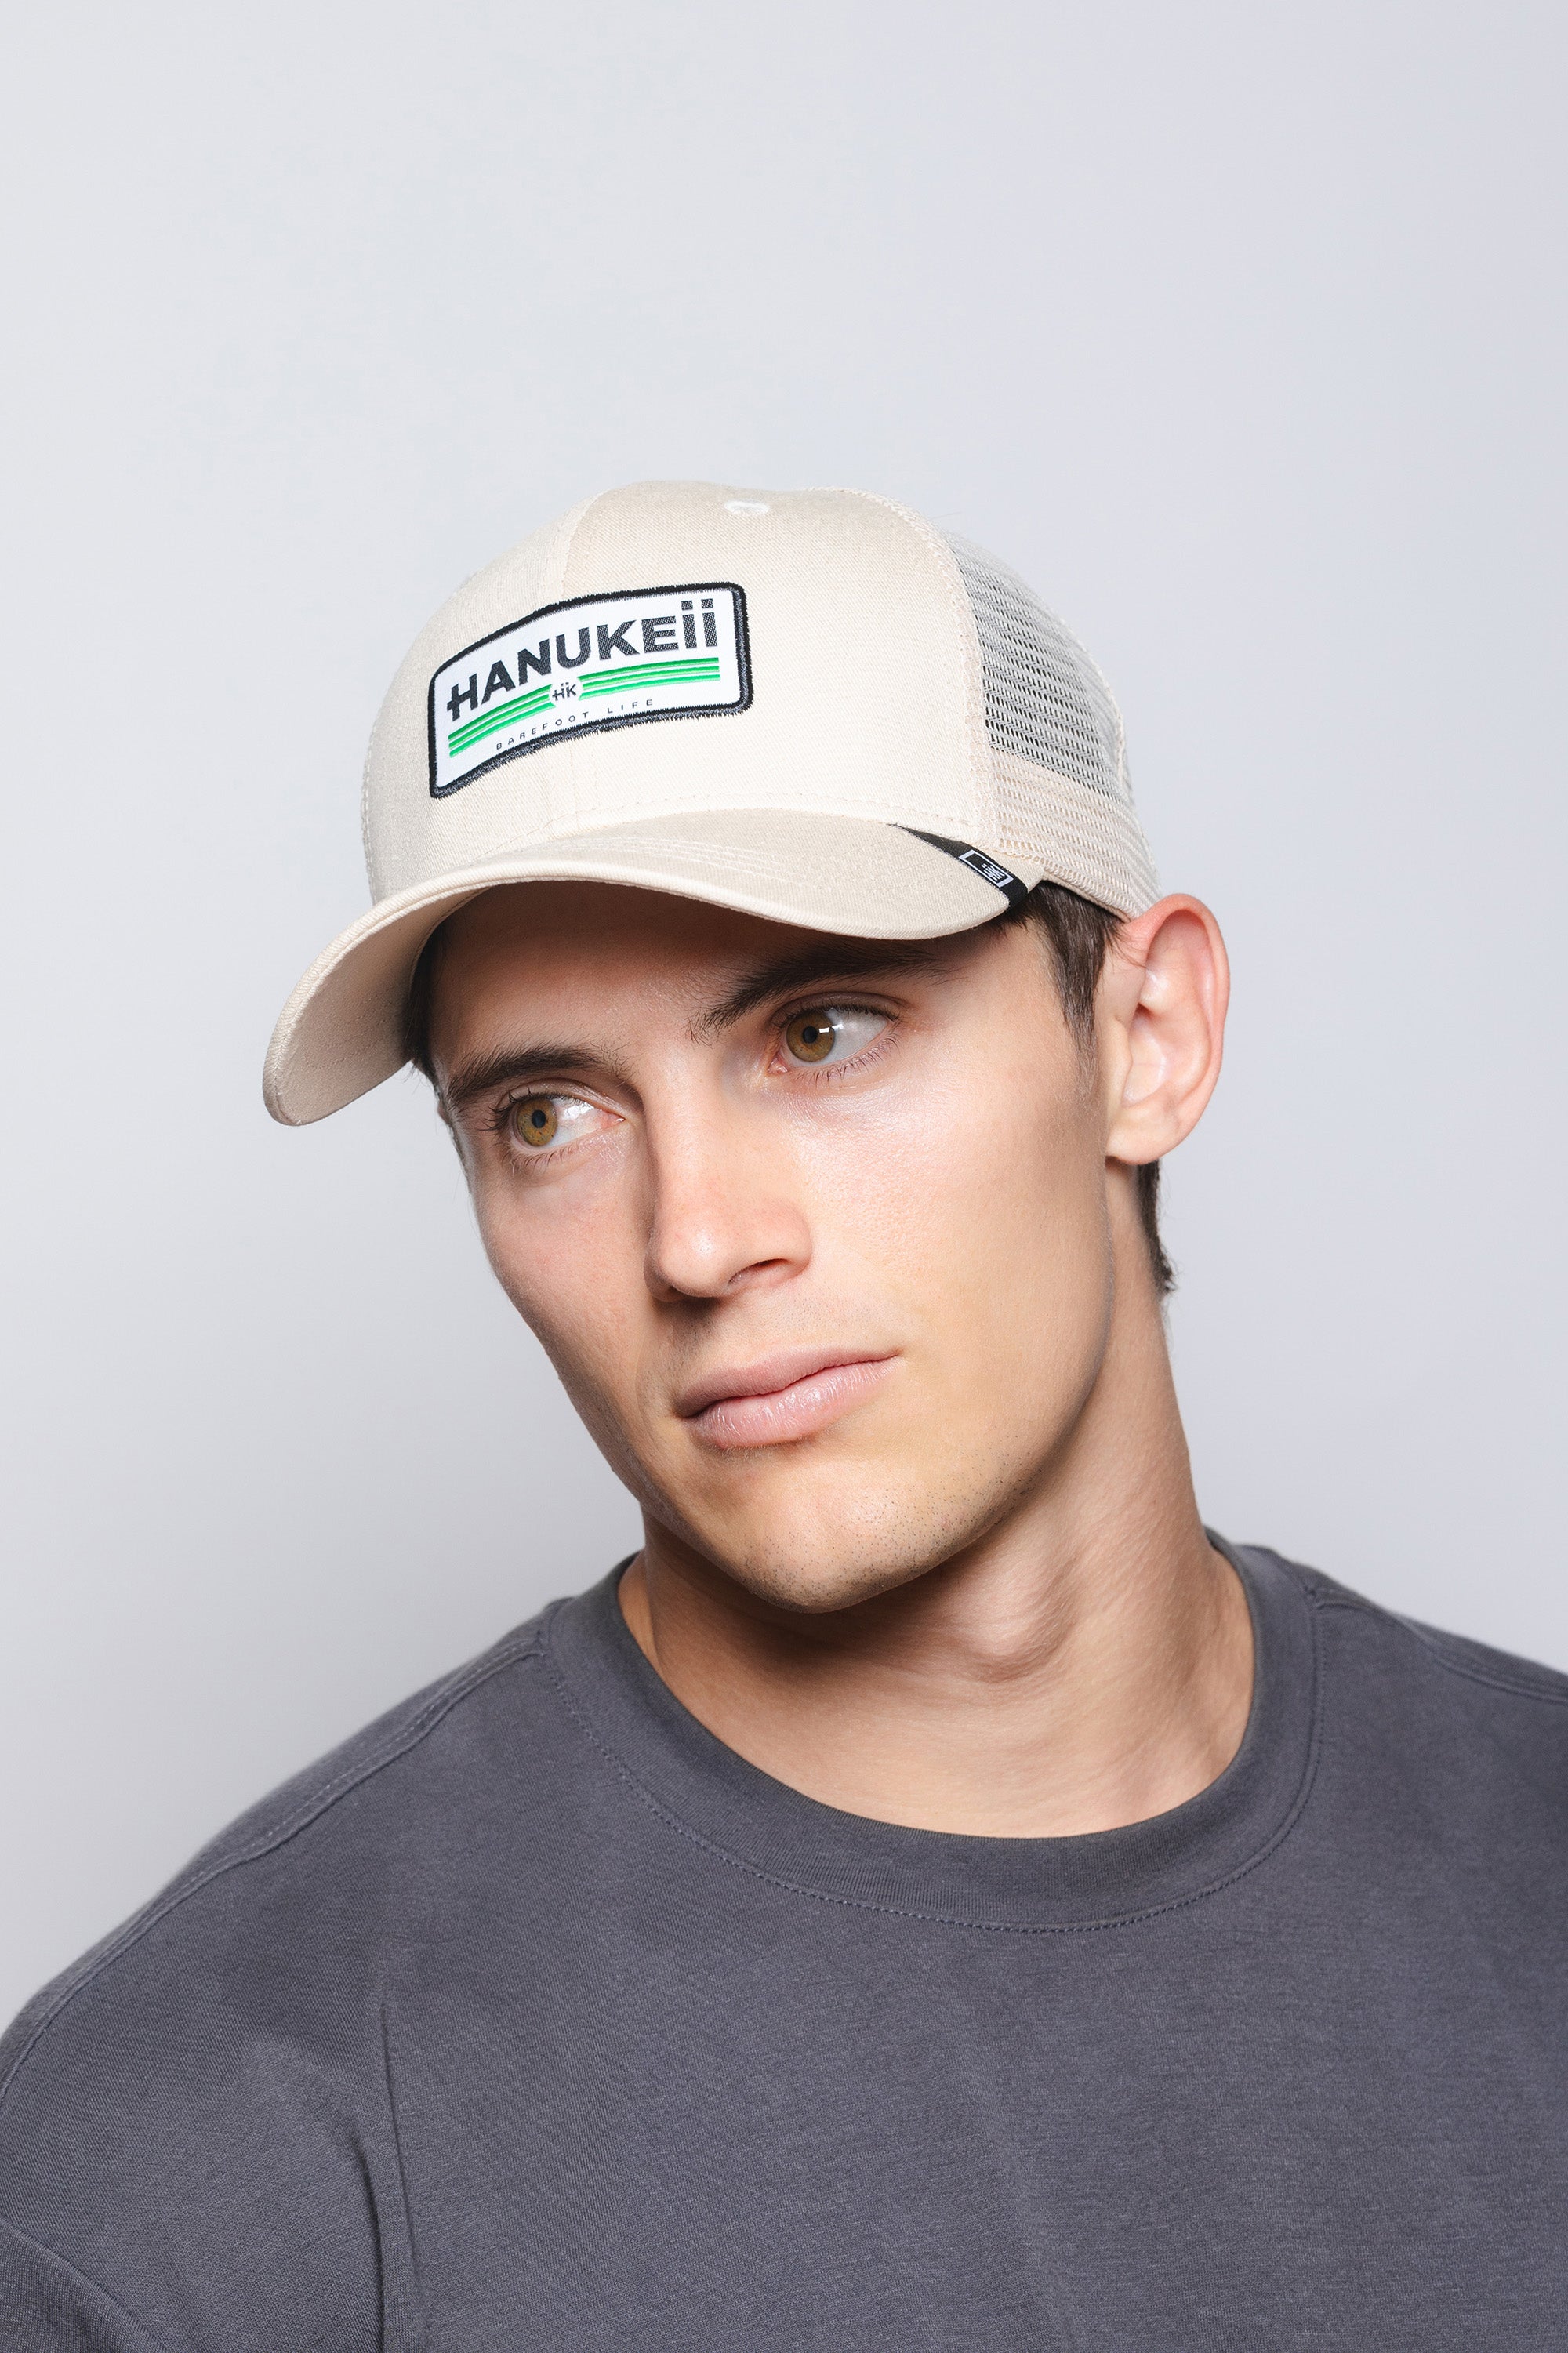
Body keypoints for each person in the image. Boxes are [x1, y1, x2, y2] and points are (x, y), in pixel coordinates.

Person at [2, 481, 1564, 2351]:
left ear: (1145, 1034)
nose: (696, 1237)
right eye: (547, 1115)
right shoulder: (174, 2173)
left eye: (819, 1030)